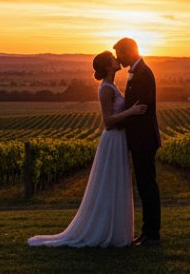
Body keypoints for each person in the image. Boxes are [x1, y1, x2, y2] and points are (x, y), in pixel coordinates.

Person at [27, 50, 146, 248]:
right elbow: (108, 121)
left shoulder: (112, 86)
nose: (118, 60)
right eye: (113, 59)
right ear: (108, 66)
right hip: (113, 139)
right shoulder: (106, 89)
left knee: (116, 183)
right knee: (109, 183)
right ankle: (105, 231)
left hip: (119, 139)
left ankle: (116, 231)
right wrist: (131, 111)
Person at [114, 36, 161, 246]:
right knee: (144, 186)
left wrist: (117, 121)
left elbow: (140, 108)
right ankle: (147, 232)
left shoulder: (143, 73)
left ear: (129, 51)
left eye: (119, 53)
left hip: (144, 140)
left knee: (147, 187)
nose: (118, 58)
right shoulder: (137, 72)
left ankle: (152, 234)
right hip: (139, 140)